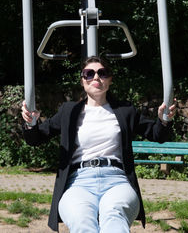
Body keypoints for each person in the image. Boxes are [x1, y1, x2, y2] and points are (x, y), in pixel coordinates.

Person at [22, 56, 176, 233]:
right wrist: (30, 123)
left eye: (102, 73)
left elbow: (157, 134)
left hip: (117, 180)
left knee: (113, 217)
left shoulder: (125, 111)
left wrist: (164, 120)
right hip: (78, 181)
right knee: (82, 221)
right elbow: (35, 139)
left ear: (110, 80)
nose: (96, 77)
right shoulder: (69, 111)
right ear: (82, 81)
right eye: (89, 74)